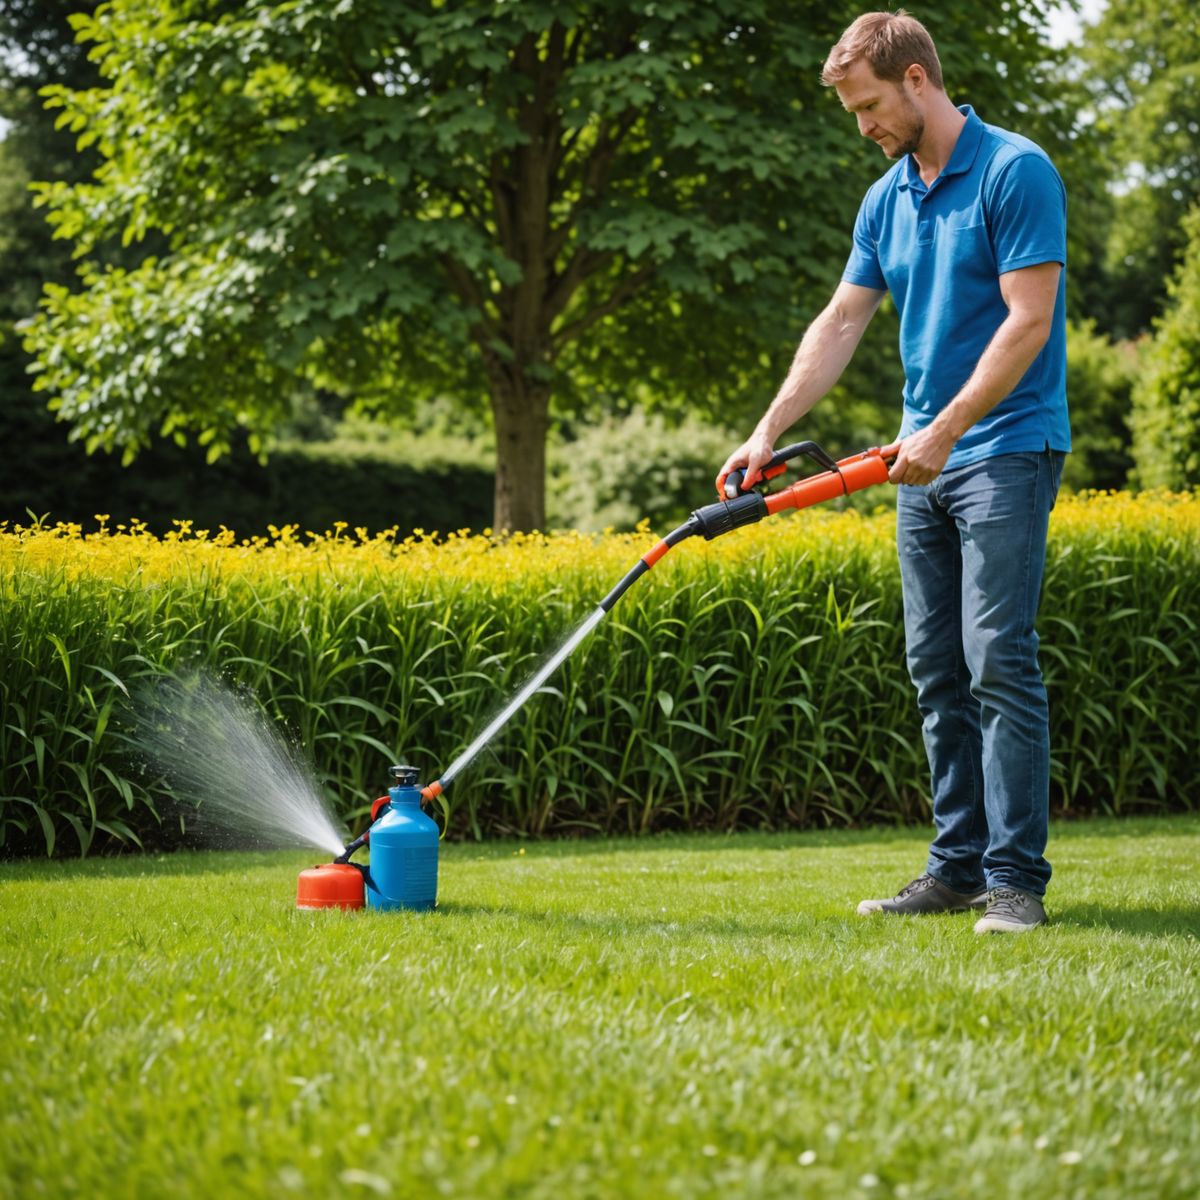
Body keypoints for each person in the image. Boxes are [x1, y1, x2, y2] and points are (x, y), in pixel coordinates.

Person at [717, 10, 1070, 933]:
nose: (862, 126)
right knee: (935, 667)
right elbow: (840, 322)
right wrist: (767, 430)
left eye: (868, 105)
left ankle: (1014, 884)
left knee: (998, 657)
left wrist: (948, 427)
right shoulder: (887, 197)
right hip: (920, 460)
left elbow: (1027, 321)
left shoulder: (1013, 171)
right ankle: (954, 870)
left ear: (917, 80)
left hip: (1004, 446)